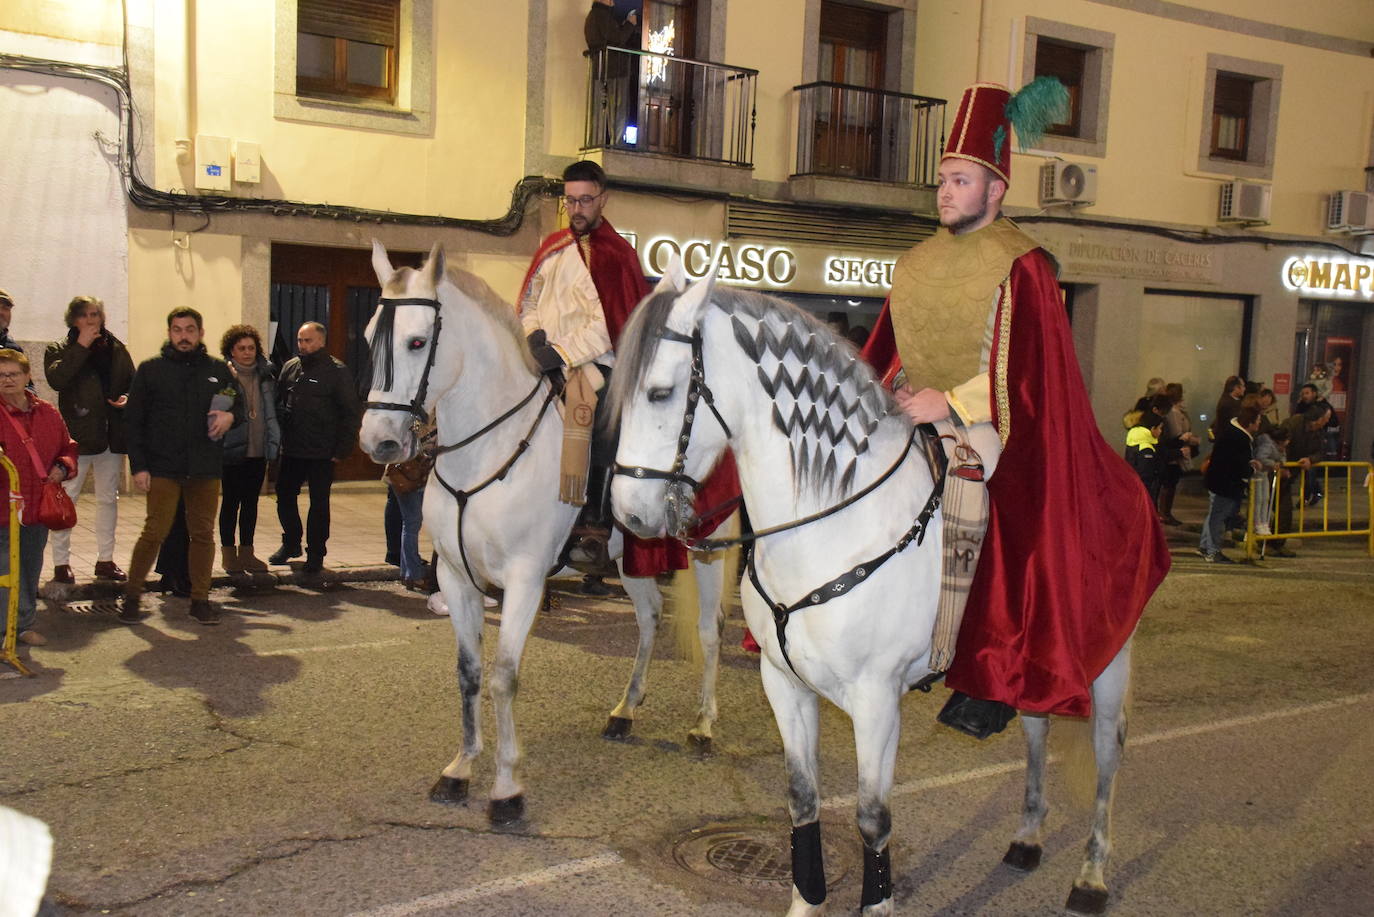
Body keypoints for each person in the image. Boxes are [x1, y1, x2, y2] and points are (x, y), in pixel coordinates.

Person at [860, 78, 1170, 737]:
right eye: (943, 179)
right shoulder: (914, 262)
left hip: (992, 419)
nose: (946, 191)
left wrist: (949, 403)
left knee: (989, 491)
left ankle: (991, 666)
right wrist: (887, 389)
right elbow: (890, 346)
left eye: (961, 180)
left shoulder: (1023, 264)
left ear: (996, 189)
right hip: (920, 408)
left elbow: (1028, 374)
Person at [518, 159, 738, 578]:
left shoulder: (617, 254)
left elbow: (609, 326)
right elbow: (529, 300)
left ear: (602, 199)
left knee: (604, 418)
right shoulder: (551, 248)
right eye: (570, 201)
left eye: (585, 200)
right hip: (543, 356)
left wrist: (561, 353)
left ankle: (594, 526)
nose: (577, 209)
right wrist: (533, 335)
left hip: (596, 363)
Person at [118, 308, 240, 626]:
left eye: (189, 329)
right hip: (162, 467)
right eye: (177, 329)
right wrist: (139, 466)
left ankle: (200, 599)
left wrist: (232, 415)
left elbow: (237, 400)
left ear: (200, 333)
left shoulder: (218, 370)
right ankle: (132, 596)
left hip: (205, 467)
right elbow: (134, 422)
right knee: (154, 532)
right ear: (169, 333)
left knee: (203, 534)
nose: (183, 335)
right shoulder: (150, 370)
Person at [42, 296, 135, 585]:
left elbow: (133, 382)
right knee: (66, 499)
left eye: (96, 314)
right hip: (77, 438)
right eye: (84, 315)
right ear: (73, 320)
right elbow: (57, 379)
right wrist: (81, 345)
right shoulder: (59, 348)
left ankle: (105, 560)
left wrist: (128, 398)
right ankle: (61, 564)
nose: (92, 320)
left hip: (111, 435)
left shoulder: (116, 347)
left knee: (109, 499)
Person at [0, 349, 78, 648]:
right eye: (1, 375)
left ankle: (22, 625)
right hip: (2, 509)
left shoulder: (47, 412)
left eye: (13, 374)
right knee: (4, 571)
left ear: (27, 376)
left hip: (36, 510)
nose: (7, 380)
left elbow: (68, 447)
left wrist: (63, 467)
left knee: (30, 569)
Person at [271, 322, 362, 574]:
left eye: (308, 340)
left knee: (319, 504)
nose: (303, 345)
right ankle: (291, 543)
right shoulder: (291, 367)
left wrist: (342, 449)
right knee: (284, 495)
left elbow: (350, 413)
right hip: (292, 449)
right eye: (300, 340)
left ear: (321, 341)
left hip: (323, 451)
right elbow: (279, 402)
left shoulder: (336, 371)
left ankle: (316, 554)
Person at [219, 325, 280, 573]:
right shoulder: (223, 376)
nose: (247, 353)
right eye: (241, 348)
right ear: (231, 351)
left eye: (251, 348)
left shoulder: (266, 375)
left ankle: (247, 553)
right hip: (232, 450)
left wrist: (274, 442)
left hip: (258, 450)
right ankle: (228, 555)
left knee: (251, 504)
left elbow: (272, 412)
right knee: (230, 503)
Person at [1200, 405, 1261, 564]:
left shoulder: (1232, 433)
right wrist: (1252, 468)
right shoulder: (1239, 437)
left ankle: (1210, 548)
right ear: (1250, 423)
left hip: (1221, 482)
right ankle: (1213, 551)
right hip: (1226, 484)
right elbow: (1238, 465)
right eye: (1257, 421)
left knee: (1217, 516)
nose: (1259, 425)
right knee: (1218, 517)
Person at [584, 0, 640, 148]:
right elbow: (617, 38)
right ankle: (617, 144)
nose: (613, 2)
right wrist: (630, 24)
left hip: (603, 69)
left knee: (601, 108)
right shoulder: (601, 15)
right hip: (614, 70)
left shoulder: (595, 15)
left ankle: (597, 142)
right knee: (617, 108)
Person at [1158, 382, 1199, 525]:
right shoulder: (1174, 413)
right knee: (1169, 483)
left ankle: (1165, 512)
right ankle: (1165, 513)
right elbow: (1177, 434)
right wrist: (1189, 439)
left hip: (1174, 450)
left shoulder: (1176, 411)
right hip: (1174, 452)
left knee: (1170, 484)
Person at [1251, 424, 1289, 536]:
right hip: (1258, 474)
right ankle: (1257, 522)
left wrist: (1281, 462)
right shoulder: (1267, 444)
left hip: (1265, 473)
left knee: (1266, 498)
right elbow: (1261, 458)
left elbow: (1283, 457)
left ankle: (1264, 522)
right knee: (1259, 499)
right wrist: (1273, 464)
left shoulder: (1279, 447)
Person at [1124, 411, 1164, 504]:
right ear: (1152, 429)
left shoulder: (1133, 441)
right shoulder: (1146, 448)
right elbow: (1146, 473)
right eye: (1160, 428)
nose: (1161, 431)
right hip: (1144, 490)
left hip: (1133, 486)